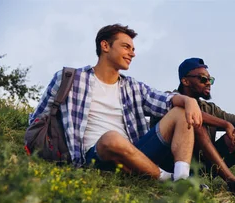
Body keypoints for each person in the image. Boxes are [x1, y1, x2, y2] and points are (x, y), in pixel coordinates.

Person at [30, 24, 202, 181]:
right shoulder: (70, 78)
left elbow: (165, 101)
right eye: (126, 47)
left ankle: (181, 178)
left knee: (180, 111)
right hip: (95, 155)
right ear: (105, 46)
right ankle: (165, 178)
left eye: (133, 49)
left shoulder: (133, 86)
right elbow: (38, 119)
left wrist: (188, 101)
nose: (132, 53)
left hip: (135, 153)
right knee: (112, 138)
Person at [176, 57, 235, 198]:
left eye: (210, 79)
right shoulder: (172, 98)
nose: (208, 83)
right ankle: (233, 182)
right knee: (197, 125)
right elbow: (195, 115)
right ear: (185, 81)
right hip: (176, 164)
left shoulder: (209, 108)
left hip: (204, 166)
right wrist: (225, 124)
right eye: (203, 79)